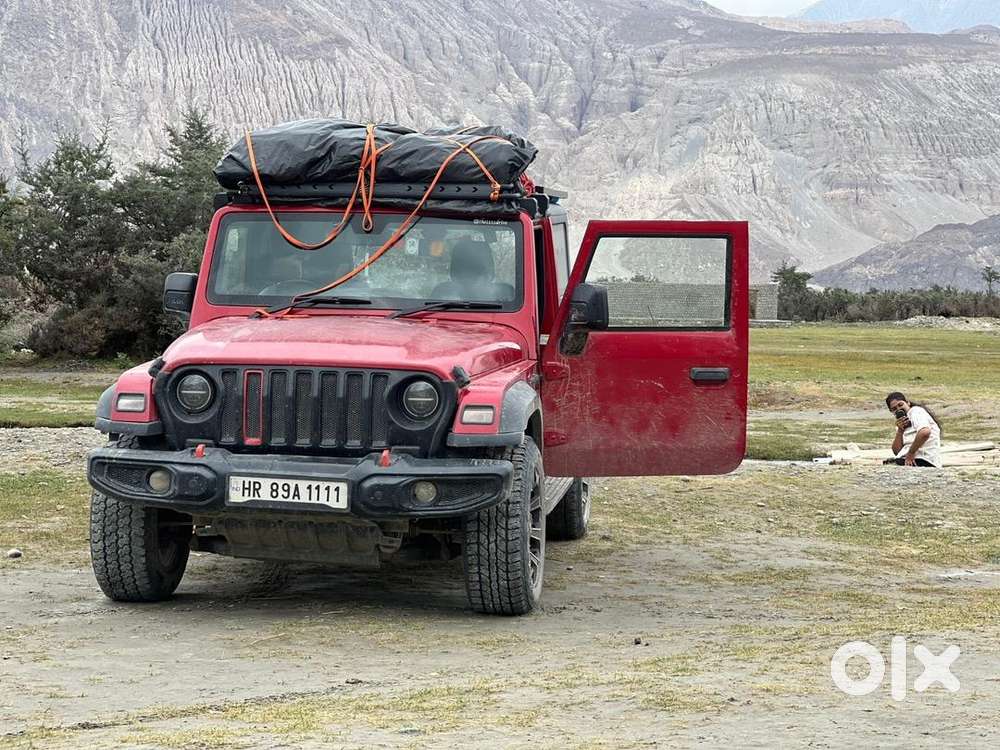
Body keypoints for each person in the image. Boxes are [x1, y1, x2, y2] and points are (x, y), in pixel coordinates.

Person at [885, 392, 942, 467]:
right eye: (894, 409)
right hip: (909, 459)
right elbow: (897, 451)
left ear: (908, 403)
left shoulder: (915, 411)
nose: (899, 409)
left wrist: (911, 453)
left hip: (924, 459)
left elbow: (925, 432)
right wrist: (900, 431)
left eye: (900, 405)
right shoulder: (901, 423)